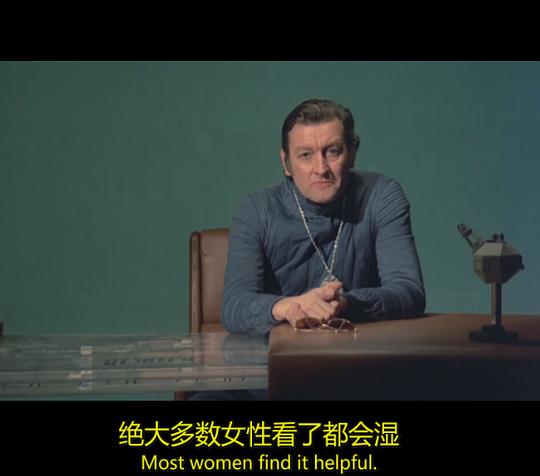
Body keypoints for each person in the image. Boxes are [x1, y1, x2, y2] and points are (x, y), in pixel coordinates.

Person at [221, 98, 425, 336]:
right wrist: (289, 307)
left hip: (360, 350)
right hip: (277, 353)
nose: (321, 168)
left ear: (352, 152)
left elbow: (409, 290)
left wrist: (346, 304)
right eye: (305, 155)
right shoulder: (256, 210)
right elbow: (234, 306)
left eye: (333, 152)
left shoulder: (381, 196)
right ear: (286, 164)